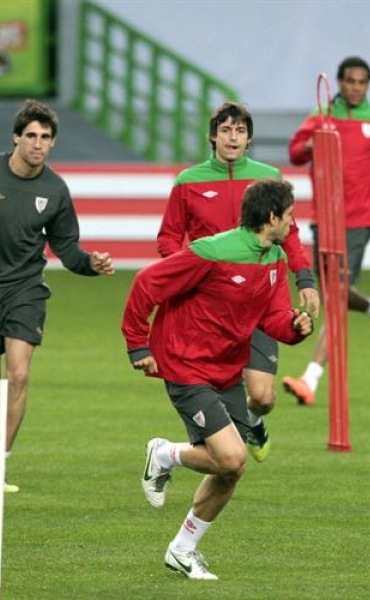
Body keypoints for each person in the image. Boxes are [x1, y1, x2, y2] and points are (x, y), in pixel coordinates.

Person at [124, 179, 314, 580]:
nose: (294, 223)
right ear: (272, 217)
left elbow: (272, 317)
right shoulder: (211, 250)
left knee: (231, 469)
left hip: (227, 369)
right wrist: (138, 345)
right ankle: (163, 454)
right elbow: (146, 284)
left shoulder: (275, 258)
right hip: (185, 364)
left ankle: (182, 550)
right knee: (231, 457)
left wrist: (295, 327)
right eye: (290, 215)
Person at [0, 99, 115, 492]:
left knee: (21, 374)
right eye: (31, 136)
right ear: (16, 137)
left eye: (45, 137)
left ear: (53, 143)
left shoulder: (55, 190)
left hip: (26, 289)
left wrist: (90, 264)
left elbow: (68, 248)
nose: (37, 144)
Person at [157, 101, 320, 462]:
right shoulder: (188, 182)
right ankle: (218, 439)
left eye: (241, 131)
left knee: (263, 396)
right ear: (213, 136)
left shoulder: (268, 178)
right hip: (210, 308)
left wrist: (304, 277)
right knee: (212, 391)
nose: (233, 137)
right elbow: (168, 238)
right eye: (226, 130)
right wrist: (187, 273)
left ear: (249, 139)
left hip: (258, 297)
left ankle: (250, 420)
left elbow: (289, 235)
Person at [281, 56, 370, 406]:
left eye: (361, 82)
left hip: (361, 216)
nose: (355, 87)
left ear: (368, 85)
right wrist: (308, 146)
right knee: (335, 291)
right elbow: (295, 152)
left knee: (333, 297)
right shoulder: (321, 116)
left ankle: (311, 378)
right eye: (349, 81)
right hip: (325, 217)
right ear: (339, 82)